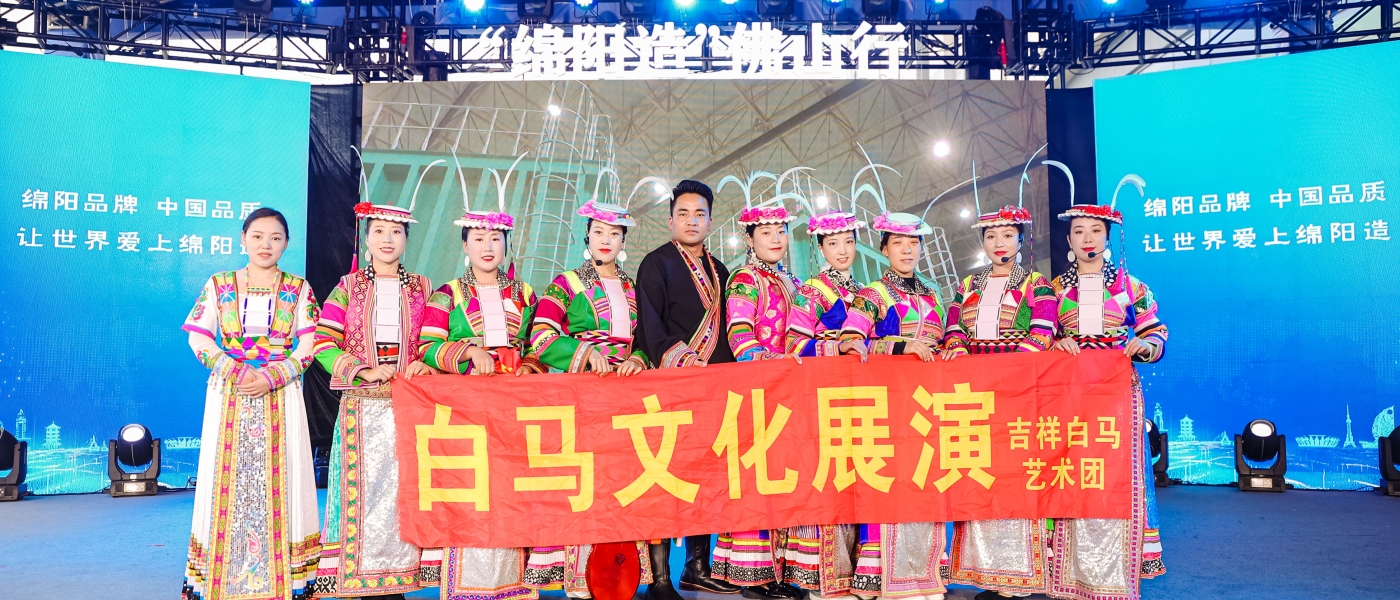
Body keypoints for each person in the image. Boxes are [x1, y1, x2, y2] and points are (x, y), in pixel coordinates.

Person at [181, 207, 322, 600]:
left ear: (286, 243)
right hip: (230, 392)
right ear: (242, 239)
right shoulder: (219, 284)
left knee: (284, 479)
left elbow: (311, 344)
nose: (266, 244)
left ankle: (289, 580)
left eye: (275, 238)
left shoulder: (298, 288)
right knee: (224, 481)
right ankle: (220, 578)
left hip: (281, 394)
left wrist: (274, 375)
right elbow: (198, 337)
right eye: (257, 236)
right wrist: (235, 370)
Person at [418, 162, 544, 600]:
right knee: (470, 489)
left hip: (513, 410)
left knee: (511, 489)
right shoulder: (446, 294)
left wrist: (528, 367)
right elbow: (427, 346)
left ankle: (513, 582)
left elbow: (538, 345)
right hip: (466, 410)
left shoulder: (525, 294)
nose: (487, 246)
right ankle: (465, 583)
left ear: (507, 245)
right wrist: (468, 353)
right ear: (464, 245)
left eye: (495, 238)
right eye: (478, 239)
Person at [522, 198, 652, 598]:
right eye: (598, 232)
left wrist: (638, 358)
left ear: (624, 240)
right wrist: (584, 352)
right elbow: (541, 337)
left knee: (621, 484)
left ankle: (620, 573)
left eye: (614, 233)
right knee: (583, 483)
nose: (606, 239)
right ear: (587, 237)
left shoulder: (633, 288)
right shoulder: (565, 283)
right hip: (582, 393)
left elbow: (646, 338)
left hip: (625, 396)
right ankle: (578, 576)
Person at [1046, 189, 1167, 600]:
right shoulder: (1052, 291)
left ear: (1107, 237)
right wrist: (1054, 343)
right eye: (1079, 231)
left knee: (1116, 473)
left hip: (1116, 392)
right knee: (1070, 472)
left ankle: (1116, 565)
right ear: (1068, 240)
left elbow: (1155, 331)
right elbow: (1038, 335)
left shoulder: (1132, 286)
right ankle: (1065, 566)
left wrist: (1144, 346)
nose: (1087, 238)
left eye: (1096, 230)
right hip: (1068, 392)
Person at [311, 202, 436, 599]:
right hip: (361, 411)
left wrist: (426, 364)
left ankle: (397, 580)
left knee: (404, 495)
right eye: (379, 231)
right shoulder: (347, 287)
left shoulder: (424, 287)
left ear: (406, 240)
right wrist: (361, 370)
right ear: (366, 238)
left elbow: (436, 339)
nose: (387, 239)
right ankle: (359, 581)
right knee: (361, 496)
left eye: (396, 232)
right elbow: (322, 341)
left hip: (408, 407)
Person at [633, 179, 743, 600]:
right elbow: (649, 326)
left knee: (706, 476)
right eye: (683, 213)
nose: (692, 221)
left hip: (712, 389)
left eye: (700, 214)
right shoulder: (656, 263)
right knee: (662, 476)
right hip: (671, 386)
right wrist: (682, 359)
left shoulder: (722, 272)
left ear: (711, 221)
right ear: (670, 220)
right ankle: (660, 579)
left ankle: (697, 567)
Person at [941, 205, 1056, 600]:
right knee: (980, 479)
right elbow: (954, 328)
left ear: (1021, 240)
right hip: (976, 395)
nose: (999, 243)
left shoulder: (1037, 284)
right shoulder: (968, 284)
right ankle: (987, 575)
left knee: (1016, 479)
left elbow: (1043, 331)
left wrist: (1007, 373)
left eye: (1007, 235)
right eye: (991, 236)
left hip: (1019, 393)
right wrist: (960, 353)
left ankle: (1017, 580)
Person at [838, 210, 949, 600]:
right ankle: (880, 576)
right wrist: (901, 346)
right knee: (890, 485)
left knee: (925, 483)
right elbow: (850, 340)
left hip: (928, 405)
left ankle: (923, 572)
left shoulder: (932, 292)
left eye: (913, 243)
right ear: (884, 249)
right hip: (888, 406)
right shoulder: (873, 294)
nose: (906, 250)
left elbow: (947, 340)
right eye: (898, 243)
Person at [709, 197, 808, 600]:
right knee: (758, 481)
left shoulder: (793, 280)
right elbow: (739, 334)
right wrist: (769, 363)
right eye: (765, 232)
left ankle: (782, 571)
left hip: (790, 392)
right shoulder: (744, 279)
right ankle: (753, 575)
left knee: (787, 480)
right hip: (757, 392)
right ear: (749, 239)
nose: (776, 238)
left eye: (780, 231)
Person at [782, 209, 869, 600]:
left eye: (849, 242)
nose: (842, 250)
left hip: (860, 400)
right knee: (828, 483)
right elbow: (794, 344)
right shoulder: (811, 291)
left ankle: (855, 573)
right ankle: (821, 579)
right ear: (819, 248)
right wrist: (838, 346)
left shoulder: (865, 292)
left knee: (858, 482)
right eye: (833, 243)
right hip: (822, 399)